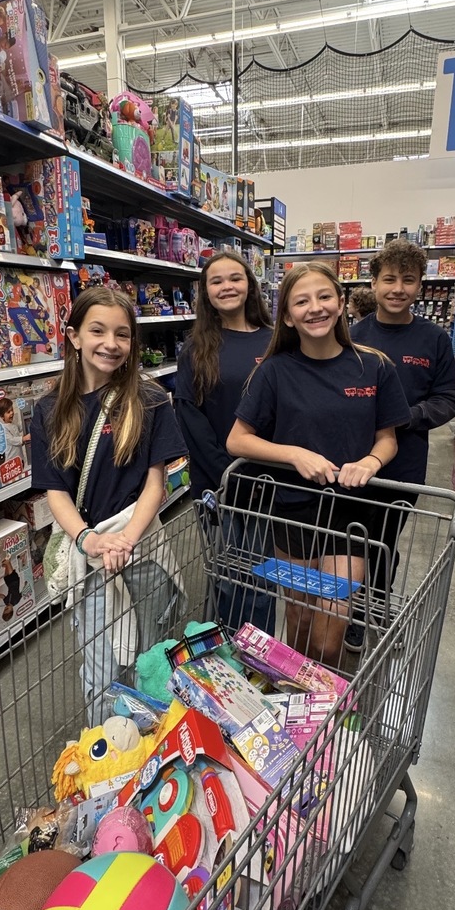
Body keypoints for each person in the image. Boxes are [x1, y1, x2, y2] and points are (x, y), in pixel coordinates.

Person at [227, 261, 410, 664]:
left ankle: (320, 689)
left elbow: (388, 439)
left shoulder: (373, 365)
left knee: (330, 629)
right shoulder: (274, 371)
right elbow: (237, 440)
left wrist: (371, 462)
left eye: (325, 296)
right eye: (301, 301)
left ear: (341, 303)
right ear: (288, 316)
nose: (316, 308)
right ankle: (300, 699)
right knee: (299, 617)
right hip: (294, 512)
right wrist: (295, 454)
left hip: (353, 513)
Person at [31, 287, 187, 702]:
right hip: (92, 554)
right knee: (101, 665)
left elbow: (156, 481)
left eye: (123, 334)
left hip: (142, 547)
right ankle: (110, 750)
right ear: (74, 336)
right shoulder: (49, 408)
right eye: (97, 330)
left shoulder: (149, 398)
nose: (111, 344)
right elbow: (56, 491)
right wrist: (91, 539)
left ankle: (153, 753)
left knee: (151, 657)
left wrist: (126, 539)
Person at [350, 239, 455, 599]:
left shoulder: (435, 339)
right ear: (374, 283)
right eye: (389, 279)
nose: (398, 289)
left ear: (420, 284)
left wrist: (405, 418)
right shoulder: (352, 336)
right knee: (349, 536)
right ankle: (347, 605)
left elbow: (448, 399)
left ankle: (376, 605)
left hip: (404, 464)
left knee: (382, 541)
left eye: (408, 280)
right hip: (350, 458)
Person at [174, 250, 275, 634]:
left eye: (235, 278)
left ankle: (257, 657)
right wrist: (226, 473)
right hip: (219, 482)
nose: (227, 286)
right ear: (205, 292)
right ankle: (230, 650)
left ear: (249, 284)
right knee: (228, 574)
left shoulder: (277, 340)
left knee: (263, 579)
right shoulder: (197, 348)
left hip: (270, 482)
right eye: (216, 281)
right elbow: (189, 416)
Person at [0, 396, 29, 465]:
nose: (11, 413)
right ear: (2, 416)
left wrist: (26, 422)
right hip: (11, 460)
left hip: (20, 457)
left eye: (12, 410)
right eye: (8, 412)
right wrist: (24, 438)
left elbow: (20, 427)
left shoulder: (13, 423)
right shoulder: (3, 429)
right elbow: (12, 440)